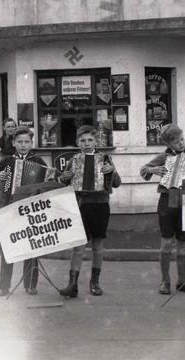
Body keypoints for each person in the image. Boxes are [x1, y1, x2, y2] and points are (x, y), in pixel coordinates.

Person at [58, 125, 121, 297]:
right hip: (81, 204)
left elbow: (116, 183)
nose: (86, 143)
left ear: (96, 141)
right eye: (83, 140)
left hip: (100, 205)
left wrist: (112, 171)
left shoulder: (105, 158)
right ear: (78, 142)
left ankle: (95, 283)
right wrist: (65, 177)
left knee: (98, 246)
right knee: (78, 247)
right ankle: (72, 285)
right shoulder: (73, 160)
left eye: (90, 140)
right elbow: (63, 181)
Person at [140, 124, 185, 295]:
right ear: (168, 144)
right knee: (166, 243)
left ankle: (182, 281)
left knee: (182, 244)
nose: (181, 143)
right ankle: (165, 281)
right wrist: (153, 169)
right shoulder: (163, 157)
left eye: (182, 139)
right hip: (167, 202)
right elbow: (143, 170)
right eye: (176, 142)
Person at [0, 127, 50, 296]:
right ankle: (4, 286)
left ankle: (30, 284)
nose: (23, 145)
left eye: (27, 142)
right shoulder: (7, 161)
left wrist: (49, 178)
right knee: (8, 247)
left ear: (32, 143)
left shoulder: (38, 160)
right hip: (10, 206)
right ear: (13, 143)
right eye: (20, 142)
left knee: (32, 247)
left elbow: (48, 179)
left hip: (31, 209)